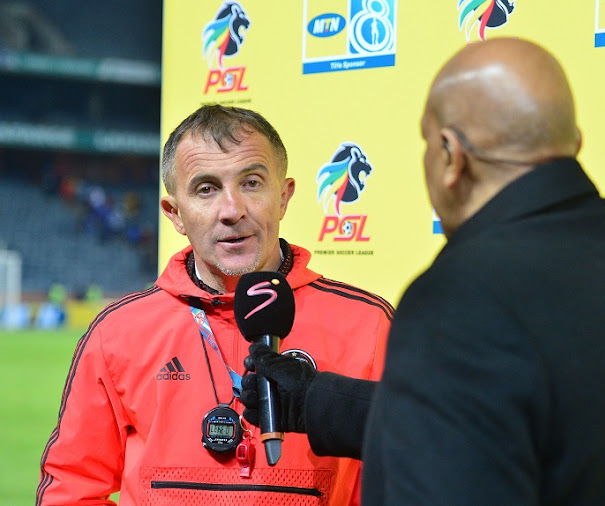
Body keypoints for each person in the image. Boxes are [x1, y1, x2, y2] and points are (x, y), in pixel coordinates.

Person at [241, 37, 605, 505]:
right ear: (574, 145)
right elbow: (521, 421)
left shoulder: (461, 296)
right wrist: (317, 402)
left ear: (450, 156)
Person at [36, 105, 393, 505]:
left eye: (252, 182)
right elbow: (72, 486)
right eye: (206, 189)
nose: (232, 210)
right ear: (175, 214)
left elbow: (403, 479)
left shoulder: (370, 324)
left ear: (284, 195)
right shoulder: (118, 332)